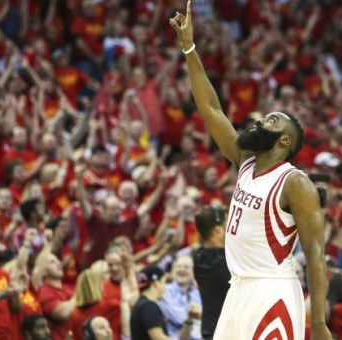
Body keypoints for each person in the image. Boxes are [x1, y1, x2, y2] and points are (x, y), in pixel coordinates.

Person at [169, 3, 331, 339]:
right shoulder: (245, 160)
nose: (259, 120)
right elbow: (211, 108)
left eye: (271, 120)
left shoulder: (295, 182)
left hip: (273, 290)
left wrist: (319, 322)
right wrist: (189, 47)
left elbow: (315, 253)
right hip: (238, 289)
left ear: (285, 140)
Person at [192, 205, 230, 340]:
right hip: (228, 333)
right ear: (218, 230)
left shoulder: (198, 256)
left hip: (210, 331)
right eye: (228, 223)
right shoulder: (228, 261)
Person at [130, 265, 191, 340]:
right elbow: (158, 338)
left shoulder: (141, 304)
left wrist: (189, 319)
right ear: (156, 283)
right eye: (163, 282)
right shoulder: (148, 307)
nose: (165, 287)